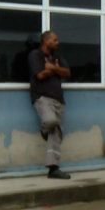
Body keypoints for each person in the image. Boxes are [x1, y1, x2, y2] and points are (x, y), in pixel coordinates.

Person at [28, 30, 71, 179]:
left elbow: (67, 73)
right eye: (55, 40)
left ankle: (53, 169)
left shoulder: (57, 56)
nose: (57, 43)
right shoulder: (35, 55)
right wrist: (56, 70)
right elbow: (40, 75)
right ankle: (44, 130)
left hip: (58, 99)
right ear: (46, 41)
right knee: (50, 121)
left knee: (56, 133)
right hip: (42, 97)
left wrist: (52, 68)